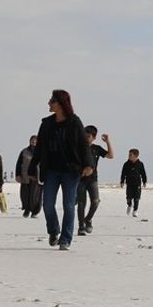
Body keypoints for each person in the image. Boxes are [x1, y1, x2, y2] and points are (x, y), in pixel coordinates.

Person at [32, 89, 91, 250]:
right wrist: (32, 167)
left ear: (61, 103)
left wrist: (88, 164)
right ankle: (53, 231)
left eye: (52, 101)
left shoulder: (74, 122)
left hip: (71, 171)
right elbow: (40, 148)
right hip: (51, 170)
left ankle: (65, 239)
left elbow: (83, 145)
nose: (49, 103)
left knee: (68, 205)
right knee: (48, 205)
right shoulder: (46, 123)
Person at [75, 126, 113, 236]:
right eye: (84, 136)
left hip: (92, 180)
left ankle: (88, 219)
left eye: (88, 136)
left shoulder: (96, 149)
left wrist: (108, 142)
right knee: (81, 203)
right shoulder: (78, 148)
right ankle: (81, 226)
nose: (86, 138)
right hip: (80, 179)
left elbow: (110, 156)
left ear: (94, 137)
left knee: (95, 201)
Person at [15, 136, 40, 218]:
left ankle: (34, 212)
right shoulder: (24, 151)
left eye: (35, 142)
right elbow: (19, 164)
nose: (34, 143)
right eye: (32, 141)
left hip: (36, 178)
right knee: (25, 195)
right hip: (25, 177)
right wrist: (18, 175)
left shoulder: (41, 152)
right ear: (29, 141)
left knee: (35, 196)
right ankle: (26, 210)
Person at [120, 149, 148, 216]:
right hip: (129, 184)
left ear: (135, 156)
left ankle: (135, 211)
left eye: (130, 155)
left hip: (137, 184)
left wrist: (144, 181)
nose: (129, 156)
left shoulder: (140, 164)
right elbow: (123, 173)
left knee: (136, 198)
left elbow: (143, 173)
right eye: (129, 155)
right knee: (128, 198)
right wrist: (122, 181)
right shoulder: (126, 164)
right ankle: (129, 205)